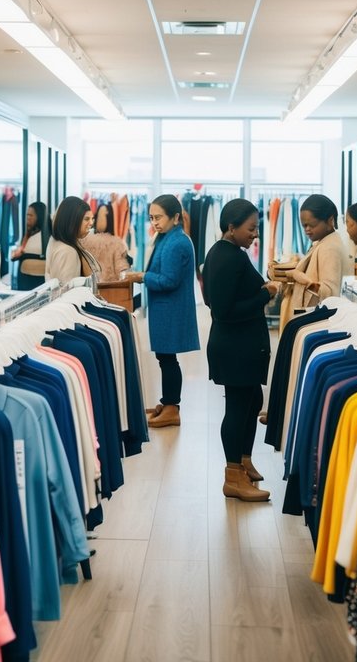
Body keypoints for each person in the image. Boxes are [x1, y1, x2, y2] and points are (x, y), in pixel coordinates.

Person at [202, 199, 278, 502]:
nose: (255, 234)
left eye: (257, 228)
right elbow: (223, 310)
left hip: (242, 345)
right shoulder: (226, 257)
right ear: (231, 227)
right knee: (236, 408)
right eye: (251, 228)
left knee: (251, 400)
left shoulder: (232, 253)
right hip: (234, 347)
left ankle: (243, 462)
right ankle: (232, 476)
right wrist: (266, 294)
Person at [125, 194, 200, 429]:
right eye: (151, 218)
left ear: (175, 217)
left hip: (171, 309)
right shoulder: (167, 238)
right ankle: (168, 402)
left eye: (158, 217)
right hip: (166, 308)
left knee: (168, 359)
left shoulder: (177, 242)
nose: (154, 222)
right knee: (165, 358)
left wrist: (141, 276)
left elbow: (169, 280)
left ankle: (172, 407)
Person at [287, 194, 354, 315]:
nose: (307, 230)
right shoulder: (324, 242)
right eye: (304, 225)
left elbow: (330, 294)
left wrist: (304, 280)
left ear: (330, 221)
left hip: (319, 320)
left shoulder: (329, 248)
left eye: (311, 225)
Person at [45, 196, 101, 286]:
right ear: (72, 220)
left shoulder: (59, 243)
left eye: (92, 219)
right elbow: (66, 292)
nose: (91, 223)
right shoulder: (67, 251)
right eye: (86, 219)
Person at [83, 202, 131, 283]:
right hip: (110, 289)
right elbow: (122, 270)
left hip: (90, 288)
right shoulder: (117, 243)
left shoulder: (84, 240)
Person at [12, 201, 49, 291]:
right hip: (25, 279)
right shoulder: (29, 235)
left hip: (36, 281)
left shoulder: (47, 237)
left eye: (31, 215)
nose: (28, 218)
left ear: (39, 216)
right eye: (27, 215)